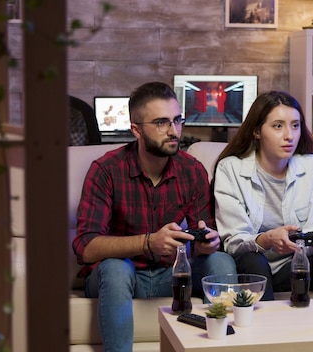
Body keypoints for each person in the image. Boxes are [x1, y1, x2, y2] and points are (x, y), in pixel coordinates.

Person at [72, 81, 236, 352]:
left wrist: (207, 242)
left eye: (177, 120)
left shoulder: (192, 171)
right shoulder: (106, 170)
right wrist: (148, 242)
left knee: (221, 261)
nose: (174, 131)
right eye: (161, 123)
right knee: (114, 268)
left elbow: (203, 233)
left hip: (172, 273)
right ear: (136, 129)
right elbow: (85, 248)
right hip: (123, 276)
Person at [212, 90, 313, 300]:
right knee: (253, 260)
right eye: (278, 126)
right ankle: (264, 330)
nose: (289, 135)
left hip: (293, 264)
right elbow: (233, 241)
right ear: (257, 131)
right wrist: (266, 240)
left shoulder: (309, 165)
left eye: (295, 125)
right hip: (251, 265)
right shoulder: (230, 168)